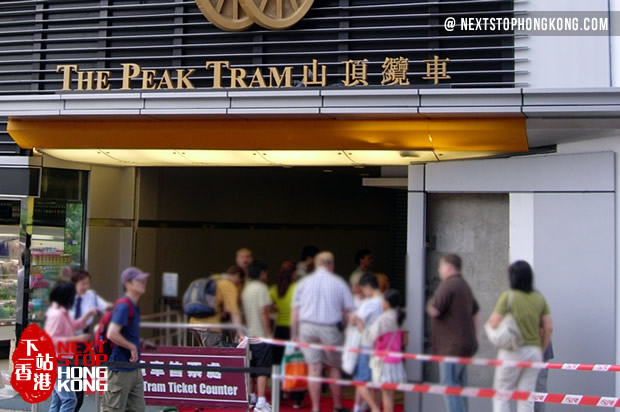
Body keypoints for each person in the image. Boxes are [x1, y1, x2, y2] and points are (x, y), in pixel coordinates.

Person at [292, 251, 354, 412]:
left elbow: (295, 311)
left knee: (314, 368)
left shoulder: (303, 283)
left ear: (316, 264)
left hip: (306, 327)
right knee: (333, 367)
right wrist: (343, 329)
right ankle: (337, 405)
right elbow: (348, 312)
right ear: (331, 264)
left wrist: (294, 334)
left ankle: (316, 407)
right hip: (330, 328)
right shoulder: (339, 283)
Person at [488, 261, 553, 412]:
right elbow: (548, 327)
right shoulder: (538, 298)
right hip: (536, 353)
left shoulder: (509, 297)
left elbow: (493, 322)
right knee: (530, 397)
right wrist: (541, 351)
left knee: (502, 395)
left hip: (514, 352)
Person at [426, 254, 480, 412]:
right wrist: (474, 336)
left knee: (449, 386)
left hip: (451, 347)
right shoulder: (464, 286)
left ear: (448, 267)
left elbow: (435, 310)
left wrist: (429, 303)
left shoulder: (448, 285)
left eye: (440, 267)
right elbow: (476, 313)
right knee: (460, 387)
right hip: (466, 346)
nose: (438, 270)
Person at [102, 267, 149, 412]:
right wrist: (131, 346)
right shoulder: (124, 306)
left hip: (133, 368)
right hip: (120, 368)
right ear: (128, 284)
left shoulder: (133, 306)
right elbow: (112, 333)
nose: (143, 283)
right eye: (138, 281)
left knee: (137, 409)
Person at [45, 281, 97, 412]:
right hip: (59, 361)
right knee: (69, 399)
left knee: (57, 400)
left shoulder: (61, 313)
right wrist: (77, 338)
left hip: (61, 361)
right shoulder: (58, 315)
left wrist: (87, 316)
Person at [68, 269, 112, 411]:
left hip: (82, 345)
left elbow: (106, 308)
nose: (86, 286)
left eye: (88, 283)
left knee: (77, 390)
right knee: (68, 394)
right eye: (83, 283)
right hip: (68, 344)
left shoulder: (91, 296)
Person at [367, 290, 408, 412]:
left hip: (383, 361)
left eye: (383, 300)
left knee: (385, 393)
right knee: (390, 394)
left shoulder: (382, 319)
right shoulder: (401, 318)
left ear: (387, 303)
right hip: (396, 361)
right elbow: (405, 341)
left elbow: (370, 338)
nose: (381, 303)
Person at [242, 260, 273, 412]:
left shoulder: (246, 289)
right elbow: (264, 312)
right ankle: (261, 402)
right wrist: (268, 334)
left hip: (248, 336)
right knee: (262, 369)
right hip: (260, 335)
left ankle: (250, 398)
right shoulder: (262, 288)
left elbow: (243, 314)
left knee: (250, 368)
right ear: (262, 273)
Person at [189, 265, 245, 347]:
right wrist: (241, 334)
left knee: (205, 354)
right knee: (215, 352)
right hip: (210, 325)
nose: (239, 284)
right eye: (240, 281)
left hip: (194, 323)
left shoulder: (215, 278)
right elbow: (234, 312)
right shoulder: (229, 285)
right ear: (237, 275)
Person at [351, 273, 384, 412]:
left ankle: (374, 408)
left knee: (360, 380)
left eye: (363, 289)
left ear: (368, 287)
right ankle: (375, 407)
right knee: (376, 381)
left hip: (366, 344)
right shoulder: (384, 300)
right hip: (381, 345)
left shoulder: (370, 303)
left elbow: (356, 319)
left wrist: (359, 326)